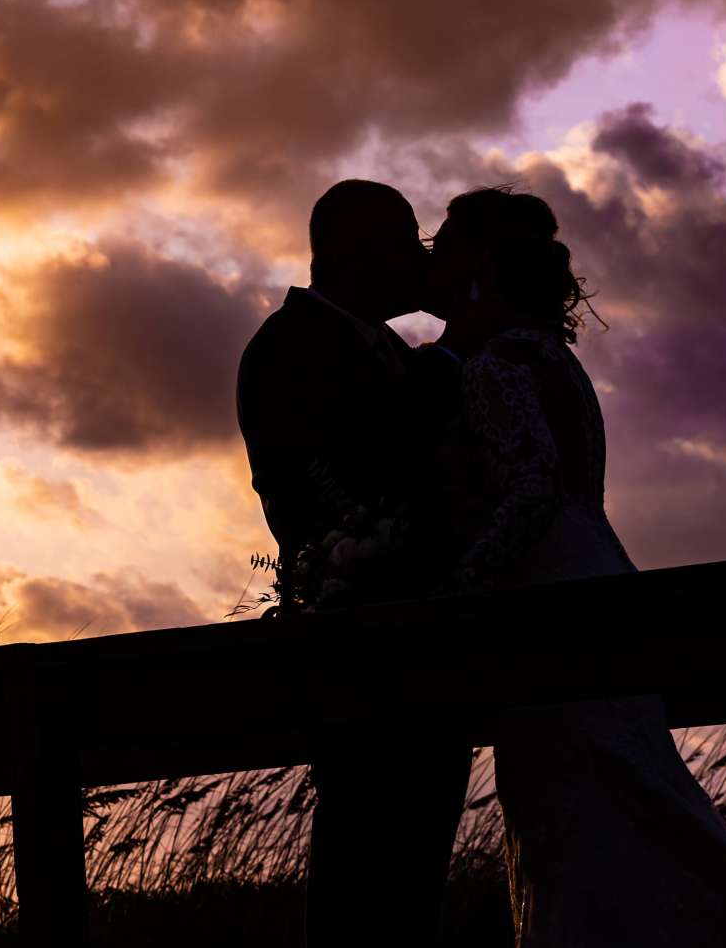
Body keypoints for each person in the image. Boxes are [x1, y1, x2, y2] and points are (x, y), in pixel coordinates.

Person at [428, 186, 726, 947]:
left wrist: (460, 586)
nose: (430, 259)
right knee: (635, 801)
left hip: (548, 609)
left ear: (477, 264)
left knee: (581, 815)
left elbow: (534, 488)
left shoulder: (496, 364)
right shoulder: (551, 357)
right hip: (598, 574)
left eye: (442, 244)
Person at [235, 179, 471, 948]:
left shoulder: (388, 349)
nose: (420, 259)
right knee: (362, 872)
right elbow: (338, 481)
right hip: (358, 645)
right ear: (355, 252)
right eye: (406, 242)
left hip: (425, 648)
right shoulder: (287, 348)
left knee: (413, 881)